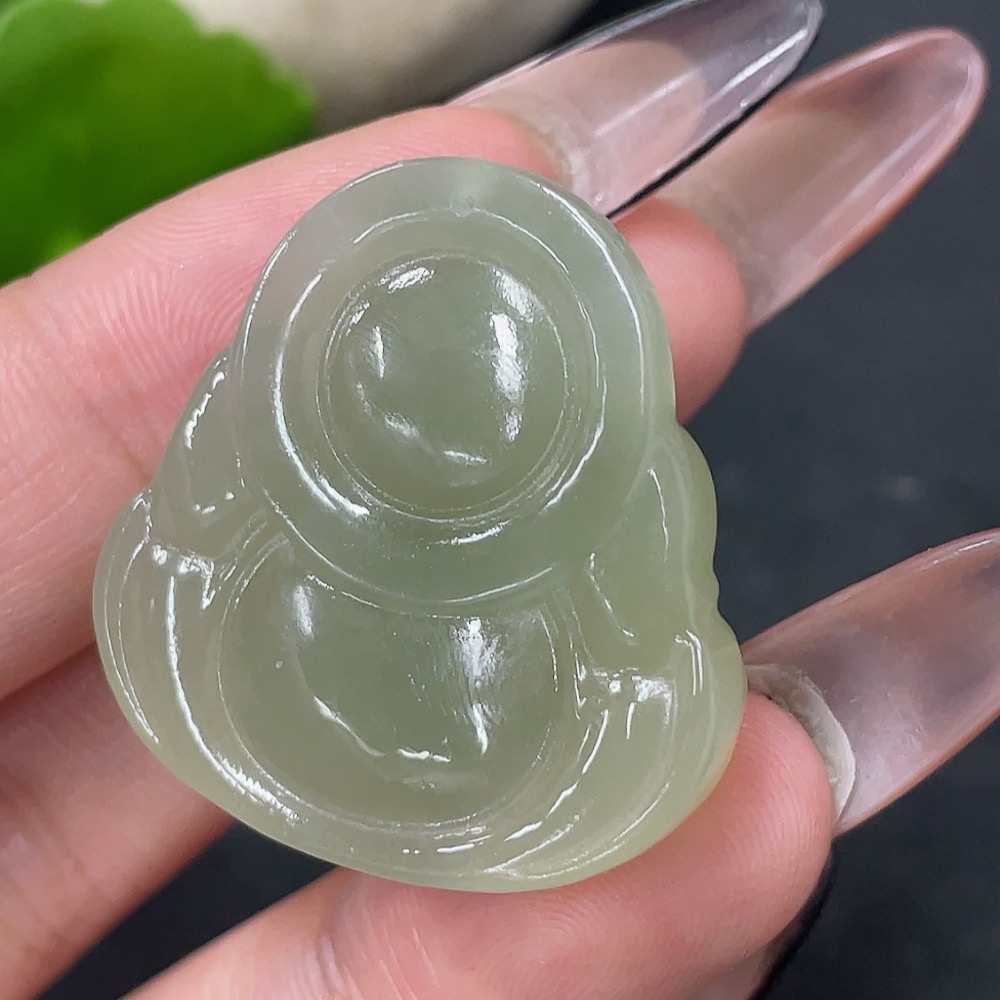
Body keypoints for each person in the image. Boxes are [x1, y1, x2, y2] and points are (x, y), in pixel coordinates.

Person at [0, 8, 985, 997]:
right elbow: (178, 557)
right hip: (278, 688)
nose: (439, 423)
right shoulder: (250, 431)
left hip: (495, 740)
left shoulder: (623, 493)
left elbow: (640, 651)